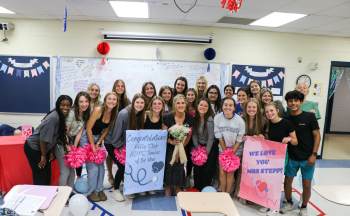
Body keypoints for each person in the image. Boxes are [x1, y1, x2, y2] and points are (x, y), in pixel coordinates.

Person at [281, 90, 320, 216]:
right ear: (287, 103)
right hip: (291, 157)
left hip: (308, 157)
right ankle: (289, 203)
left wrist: (314, 154)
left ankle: (304, 207)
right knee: (287, 181)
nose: (293, 103)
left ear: (301, 102)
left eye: (296, 100)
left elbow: (317, 136)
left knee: (307, 185)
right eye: (290, 101)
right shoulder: (285, 118)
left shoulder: (309, 117)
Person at [105, 93, 146, 202]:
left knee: (131, 163)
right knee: (122, 166)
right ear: (133, 102)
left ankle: (129, 187)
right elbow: (116, 137)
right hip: (112, 142)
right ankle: (116, 190)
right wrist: (121, 150)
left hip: (124, 143)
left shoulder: (141, 114)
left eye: (142, 103)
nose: (139, 104)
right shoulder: (124, 114)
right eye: (137, 102)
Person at [259, 101, 298, 215]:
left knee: (275, 181)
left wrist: (289, 139)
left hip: (281, 156)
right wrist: (261, 137)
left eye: (271, 110)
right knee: (267, 180)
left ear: (277, 110)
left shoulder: (287, 123)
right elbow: (267, 141)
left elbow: (295, 141)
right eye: (267, 111)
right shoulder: (267, 125)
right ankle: (267, 203)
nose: (269, 113)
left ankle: (274, 206)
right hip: (270, 155)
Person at [24, 95, 72, 186]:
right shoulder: (53, 118)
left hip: (44, 149)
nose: (65, 107)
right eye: (63, 105)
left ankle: (47, 196)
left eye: (68, 105)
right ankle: (39, 198)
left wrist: (50, 152)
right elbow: (43, 139)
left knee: (47, 175)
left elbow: (53, 138)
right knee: (40, 176)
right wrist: (43, 155)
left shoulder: (61, 116)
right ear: (58, 105)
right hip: (34, 148)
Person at [54, 92, 90, 205]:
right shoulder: (71, 113)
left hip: (71, 144)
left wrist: (74, 148)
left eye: (86, 101)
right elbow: (64, 132)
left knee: (72, 171)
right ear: (77, 102)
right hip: (61, 143)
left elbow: (78, 134)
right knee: (65, 171)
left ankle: (69, 192)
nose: (84, 104)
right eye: (81, 101)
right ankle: (61, 197)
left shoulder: (85, 115)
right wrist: (68, 148)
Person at [82, 92, 119, 202]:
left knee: (101, 168)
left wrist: (99, 142)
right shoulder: (98, 110)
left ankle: (99, 189)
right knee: (93, 168)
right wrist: (93, 144)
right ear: (105, 100)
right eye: (109, 99)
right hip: (87, 137)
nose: (111, 101)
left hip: (98, 138)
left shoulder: (114, 113)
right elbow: (88, 128)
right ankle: (91, 192)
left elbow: (106, 129)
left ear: (116, 102)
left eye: (114, 99)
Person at [235, 98, 266, 205]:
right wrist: (242, 138)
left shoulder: (263, 120)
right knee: (244, 173)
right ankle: (243, 195)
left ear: (258, 108)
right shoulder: (240, 119)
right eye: (249, 107)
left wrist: (263, 136)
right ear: (245, 108)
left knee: (255, 175)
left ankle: (254, 196)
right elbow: (235, 135)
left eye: (254, 107)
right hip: (244, 150)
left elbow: (268, 136)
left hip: (257, 154)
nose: (251, 109)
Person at [162, 94, 194, 196]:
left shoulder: (190, 118)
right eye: (178, 103)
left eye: (183, 103)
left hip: (183, 146)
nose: (181, 105)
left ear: (186, 104)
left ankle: (178, 185)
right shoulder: (167, 117)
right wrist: (171, 142)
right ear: (174, 105)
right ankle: (168, 185)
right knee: (169, 164)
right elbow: (163, 134)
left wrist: (181, 148)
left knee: (180, 165)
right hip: (170, 146)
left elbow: (189, 136)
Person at [214, 97, 245, 193]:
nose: (228, 107)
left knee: (230, 173)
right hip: (222, 149)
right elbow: (218, 135)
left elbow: (240, 138)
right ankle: (223, 193)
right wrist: (225, 151)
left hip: (236, 150)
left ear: (234, 107)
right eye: (225, 105)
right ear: (222, 106)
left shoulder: (240, 121)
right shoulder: (217, 118)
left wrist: (232, 152)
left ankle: (227, 194)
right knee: (222, 172)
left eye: (230, 105)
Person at [76, 83, 103, 179]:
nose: (94, 92)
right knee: (81, 154)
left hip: (95, 134)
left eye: (96, 90)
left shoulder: (100, 105)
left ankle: (89, 176)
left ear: (99, 92)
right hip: (82, 132)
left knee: (91, 155)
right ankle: (78, 176)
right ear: (88, 90)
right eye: (92, 89)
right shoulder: (84, 102)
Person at [107, 79, 130, 186]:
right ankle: (110, 175)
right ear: (114, 87)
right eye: (118, 86)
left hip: (122, 134)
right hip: (111, 133)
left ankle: (120, 175)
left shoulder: (127, 101)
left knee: (121, 157)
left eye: (122, 86)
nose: (120, 88)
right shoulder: (111, 100)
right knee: (111, 155)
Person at [140, 96, 165, 195]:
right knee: (143, 166)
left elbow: (164, 132)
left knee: (153, 167)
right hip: (144, 147)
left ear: (162, 106)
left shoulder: (163, 117)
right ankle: (141, 187)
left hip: (156, 148)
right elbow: (139, 130)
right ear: (151, 105)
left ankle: (150, 185)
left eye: (159, 103)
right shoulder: (145, 115)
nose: (157, 106)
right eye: (155, 103)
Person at [192, 98, 217, 191]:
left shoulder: (210, 120)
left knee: (207, 168)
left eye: (206, 106)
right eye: (201, 105)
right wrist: (197, 148)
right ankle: (197, 187)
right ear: (197, 106)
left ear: (208, 108)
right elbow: (194, 134)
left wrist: (206, 153)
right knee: (198, 168)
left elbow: (211, 138)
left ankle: (205, 187)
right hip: (199, 145)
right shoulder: (195, 118)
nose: (203, 107)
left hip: (210, 146)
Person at [185, 88, 197, 187]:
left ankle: (188, 176)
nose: (190, 97)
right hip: (184, 135)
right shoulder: (182, 107)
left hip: (195, 135)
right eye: (188, 95)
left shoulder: (198, 107)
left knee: (191, 156)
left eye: (192, 95)